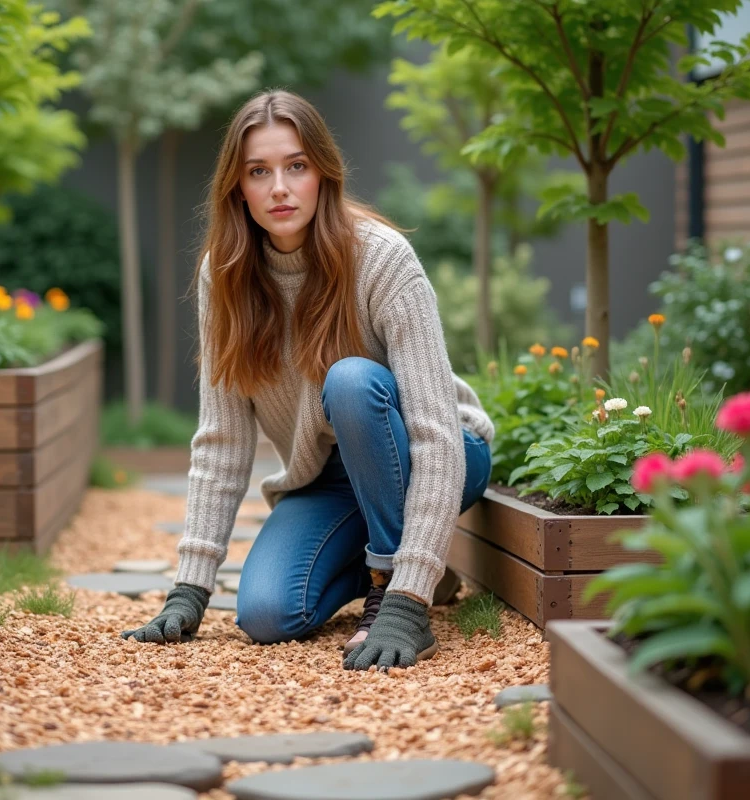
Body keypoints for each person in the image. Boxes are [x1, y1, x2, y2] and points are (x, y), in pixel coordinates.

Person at [121, 90, 494, 672]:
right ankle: (416, 561)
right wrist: (190, 588)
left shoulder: (382, 258)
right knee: (267, 615)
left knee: (348, 381)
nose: (279, 187)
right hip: (326, 474)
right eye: (258, 171)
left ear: (323, 172)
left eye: (296, 166)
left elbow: (436, 435)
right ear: (236, 188)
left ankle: (399, 587)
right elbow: (221, 441)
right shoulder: (222, 276)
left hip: (432, 450)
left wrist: (405, 602)